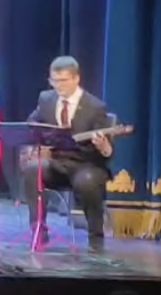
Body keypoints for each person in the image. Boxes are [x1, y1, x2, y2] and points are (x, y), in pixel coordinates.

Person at [22, 55, 112, 251]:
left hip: (86, 164)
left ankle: (96, 237)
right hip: (56, 163)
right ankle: (38, 231)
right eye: (54, 81)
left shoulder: (95, 107)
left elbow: (107, 152)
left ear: (76, 78)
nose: (58, 86)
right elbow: (32, 124)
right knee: (33, 169)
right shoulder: (46, 99)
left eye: (63, 80)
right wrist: (38, 143)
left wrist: (103, 145)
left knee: (86, 181)